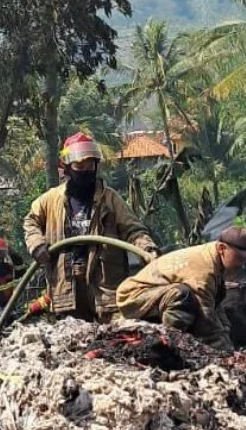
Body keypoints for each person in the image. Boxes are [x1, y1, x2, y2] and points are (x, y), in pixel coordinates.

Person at [23, 132, 159, 322]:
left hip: (105, 287)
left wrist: (147, 250)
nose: (85, 171)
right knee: (71, 339)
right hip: (66, 287)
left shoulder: (110, 198)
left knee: (118, 336)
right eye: (79, 166)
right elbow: (31, 222)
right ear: (67, 167)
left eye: (90, 165)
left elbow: (134, 229)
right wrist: (37, 244)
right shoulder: (50, 200)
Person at [116, 226, 246, 351]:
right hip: (134, 297)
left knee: (217, 293)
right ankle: (170, 343)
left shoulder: (214, 262)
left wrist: (227, 334)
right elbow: (207, 317)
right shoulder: (203, 270)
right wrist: (223, 350)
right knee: (181, 296)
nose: (242, 264)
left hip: (158, 297)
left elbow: (216, 307)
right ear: (222, 248)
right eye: (240, 257)